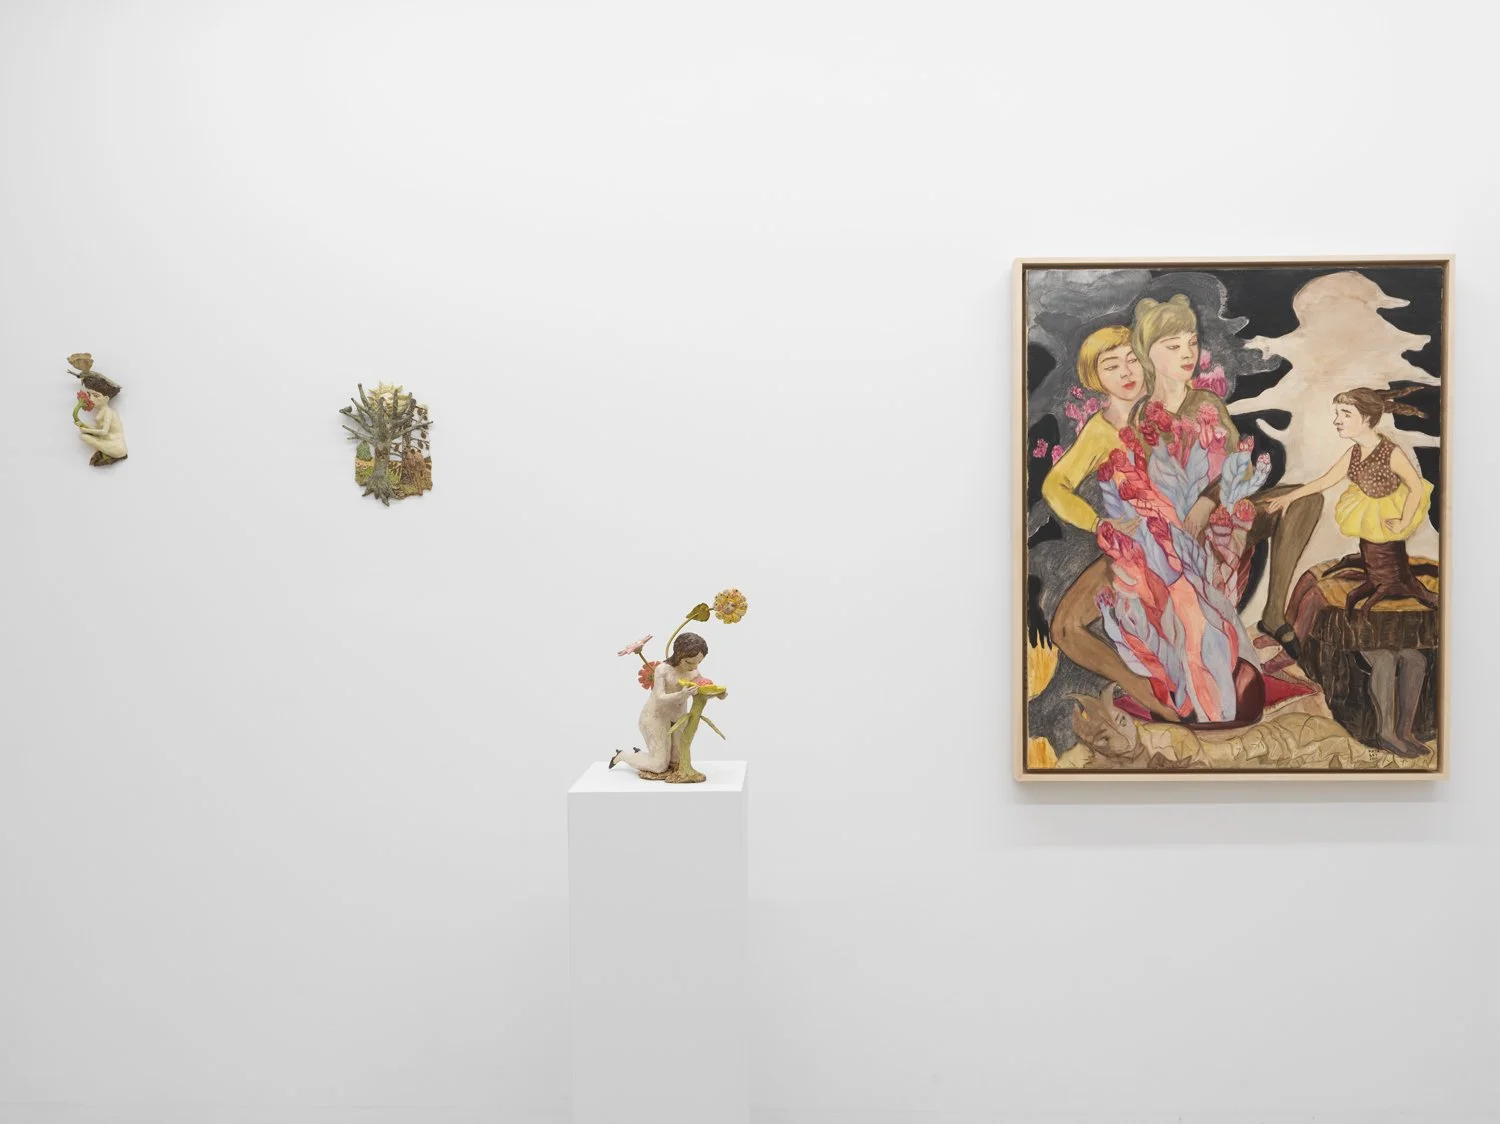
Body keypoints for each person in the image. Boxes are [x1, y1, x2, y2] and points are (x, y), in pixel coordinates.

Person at [1130, 294, 1321, 657]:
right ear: (1147, 353)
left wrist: (1210, 499)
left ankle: (1274, 612)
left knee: (1305, 498)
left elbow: (1241, 465)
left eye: (1192, 343)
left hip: (1227, 512)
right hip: (1179, 532)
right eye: (1173, 346)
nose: (1187, 354)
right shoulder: (1142, 416)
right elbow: (1143, 487)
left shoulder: (1206, 402)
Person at [1266, 387, 1437, 758]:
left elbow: (1414, 488)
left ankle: (1404, 732)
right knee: (1385, 658)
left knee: (1415, 658)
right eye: (1337, 413)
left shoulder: (1390, 452)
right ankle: (1388, 733)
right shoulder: (1355, 454)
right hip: (1372, 570)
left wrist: (1404, 519)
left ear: (1368, 418)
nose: (1337, 420)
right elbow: (1324, 481)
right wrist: (1289, 497)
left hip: (1392, 570)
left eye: (1345, 414)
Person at [1042, 326, 1182, 720]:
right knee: (1065, 628)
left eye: (1132, 359)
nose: (1126, 372)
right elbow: (1054, 486)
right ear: (1095, 377)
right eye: (1112, 366)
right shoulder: (1100, 430)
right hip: (1134, 547)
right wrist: (1098, 524)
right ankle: (1146, 694)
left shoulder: (1168, 408)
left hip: (1184, 542)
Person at [611, 633, 708, 777]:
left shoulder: (694, 671)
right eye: (689, 662)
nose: (694, 666)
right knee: (659, 765)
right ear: (679, 655)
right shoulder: (663, 670)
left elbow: (703, 686)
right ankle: (622, 755)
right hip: (655, 717)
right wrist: (682, 695)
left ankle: (646, 756)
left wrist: (717, 693)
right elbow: (660, 697)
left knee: (677, 760)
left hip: (678, 718)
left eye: (698, 662)